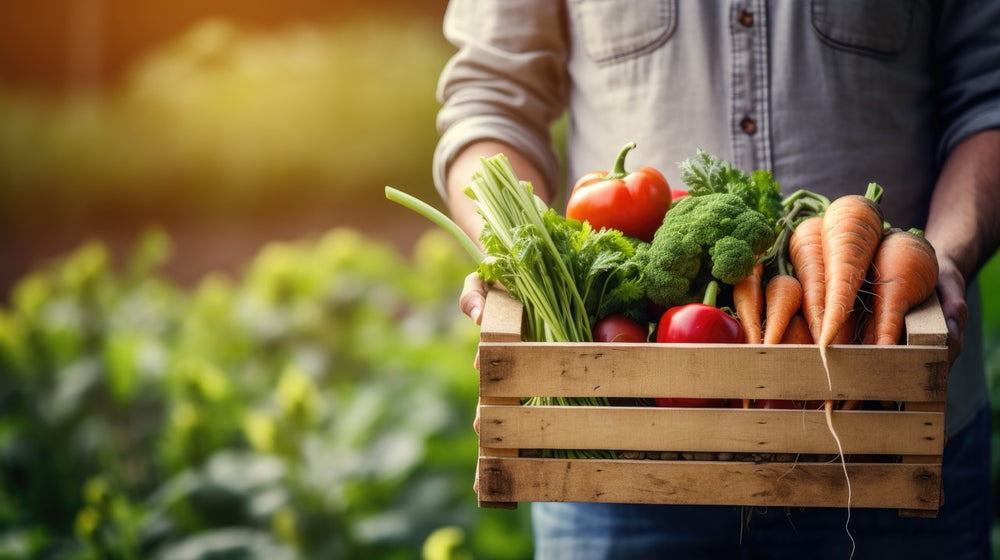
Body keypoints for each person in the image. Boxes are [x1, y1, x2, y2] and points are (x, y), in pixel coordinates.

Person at [432, 2, 1000, 558]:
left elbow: (988, 99)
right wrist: (514, 258)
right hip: (614, 455)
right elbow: (488, 100)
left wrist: (944, 255)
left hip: (892, 440)